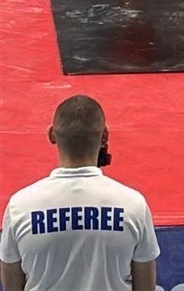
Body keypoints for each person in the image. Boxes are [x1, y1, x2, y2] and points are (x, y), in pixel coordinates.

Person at [0, 95, 159, 291]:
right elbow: (146, 287)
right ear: (105, 135)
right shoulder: (134, 206)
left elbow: (11, 286)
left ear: (51, 134)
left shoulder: (19, 207)